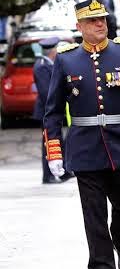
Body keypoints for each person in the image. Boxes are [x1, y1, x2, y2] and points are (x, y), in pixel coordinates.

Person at [43, 0, 120, 269]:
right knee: (93, 213)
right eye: (93, 21)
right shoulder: (67, 60)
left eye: (103, 19)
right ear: (79, 26)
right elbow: (53, 111)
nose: (100, 24)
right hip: (84, 149)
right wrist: (54, 150)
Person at [33, 37, 73, 184]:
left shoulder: (50, 64)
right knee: (49, 144)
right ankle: (48, 176)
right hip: (45, 112)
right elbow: (46, 93)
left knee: (58, 141)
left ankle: (63, 172)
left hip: (50, 112)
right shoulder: (41, 66)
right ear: (52, 51)